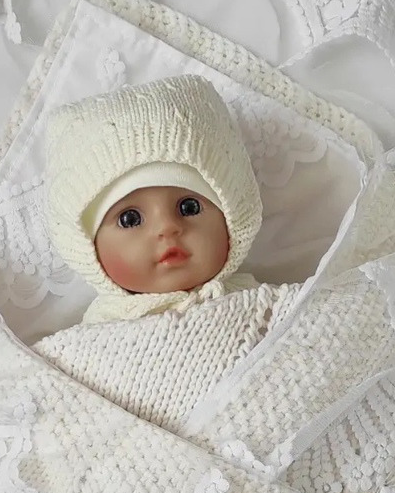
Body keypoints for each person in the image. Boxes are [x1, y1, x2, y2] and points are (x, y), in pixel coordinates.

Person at [44, 74, 262, 325]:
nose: (167, 227)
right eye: (130, 219)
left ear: (234, 216)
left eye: (189, 207)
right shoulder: (98, 330)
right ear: (88, 248)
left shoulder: (261, 305)